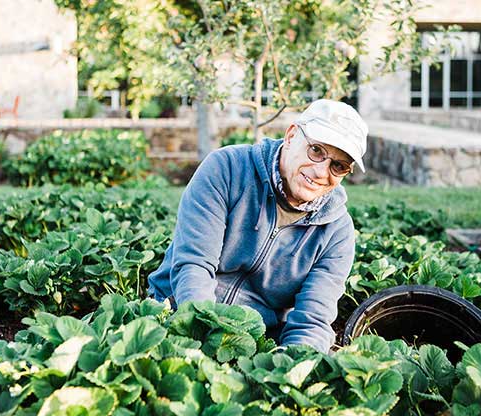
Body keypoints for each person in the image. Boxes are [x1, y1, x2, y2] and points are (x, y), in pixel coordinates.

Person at [148, 99, 368, 353]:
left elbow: (313, 321)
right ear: (291, 135)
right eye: (316, 150)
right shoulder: (226, 169)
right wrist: (203, 336)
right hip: (179, 316)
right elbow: (194, 266)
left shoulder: (337, 233)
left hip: (255, 343)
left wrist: (287, 366)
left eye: (338, 166)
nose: (321, 171)